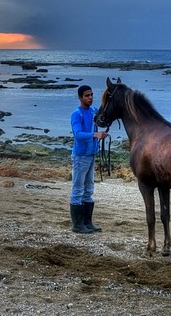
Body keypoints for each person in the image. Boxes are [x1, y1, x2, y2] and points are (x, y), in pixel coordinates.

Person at [69, 85, 108, 234]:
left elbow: (102, 121)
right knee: (78, 188)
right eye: (87, 95)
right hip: (80, 156)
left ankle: (87, 222)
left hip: (91, 155)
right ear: (80, 97)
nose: (90, 97)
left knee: (89, 189)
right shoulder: (76, 114)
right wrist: (95, 135)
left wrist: (102, 133)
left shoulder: (93, 111)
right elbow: (78, 134)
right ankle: (77, 225)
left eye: (91, 95)